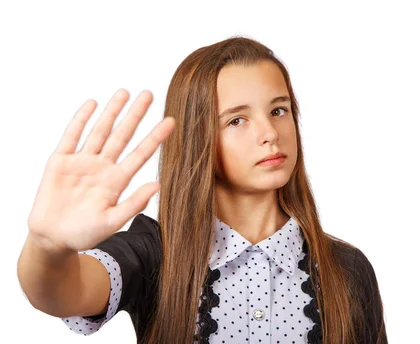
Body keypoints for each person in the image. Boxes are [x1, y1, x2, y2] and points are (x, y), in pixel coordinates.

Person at [17, 35, 387, 343]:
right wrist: (47, 245)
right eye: (237, 120)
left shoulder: (347, 269)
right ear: (199, 138)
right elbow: (61, 292)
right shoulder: (156, 255)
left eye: (278, 110)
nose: (270, 134)